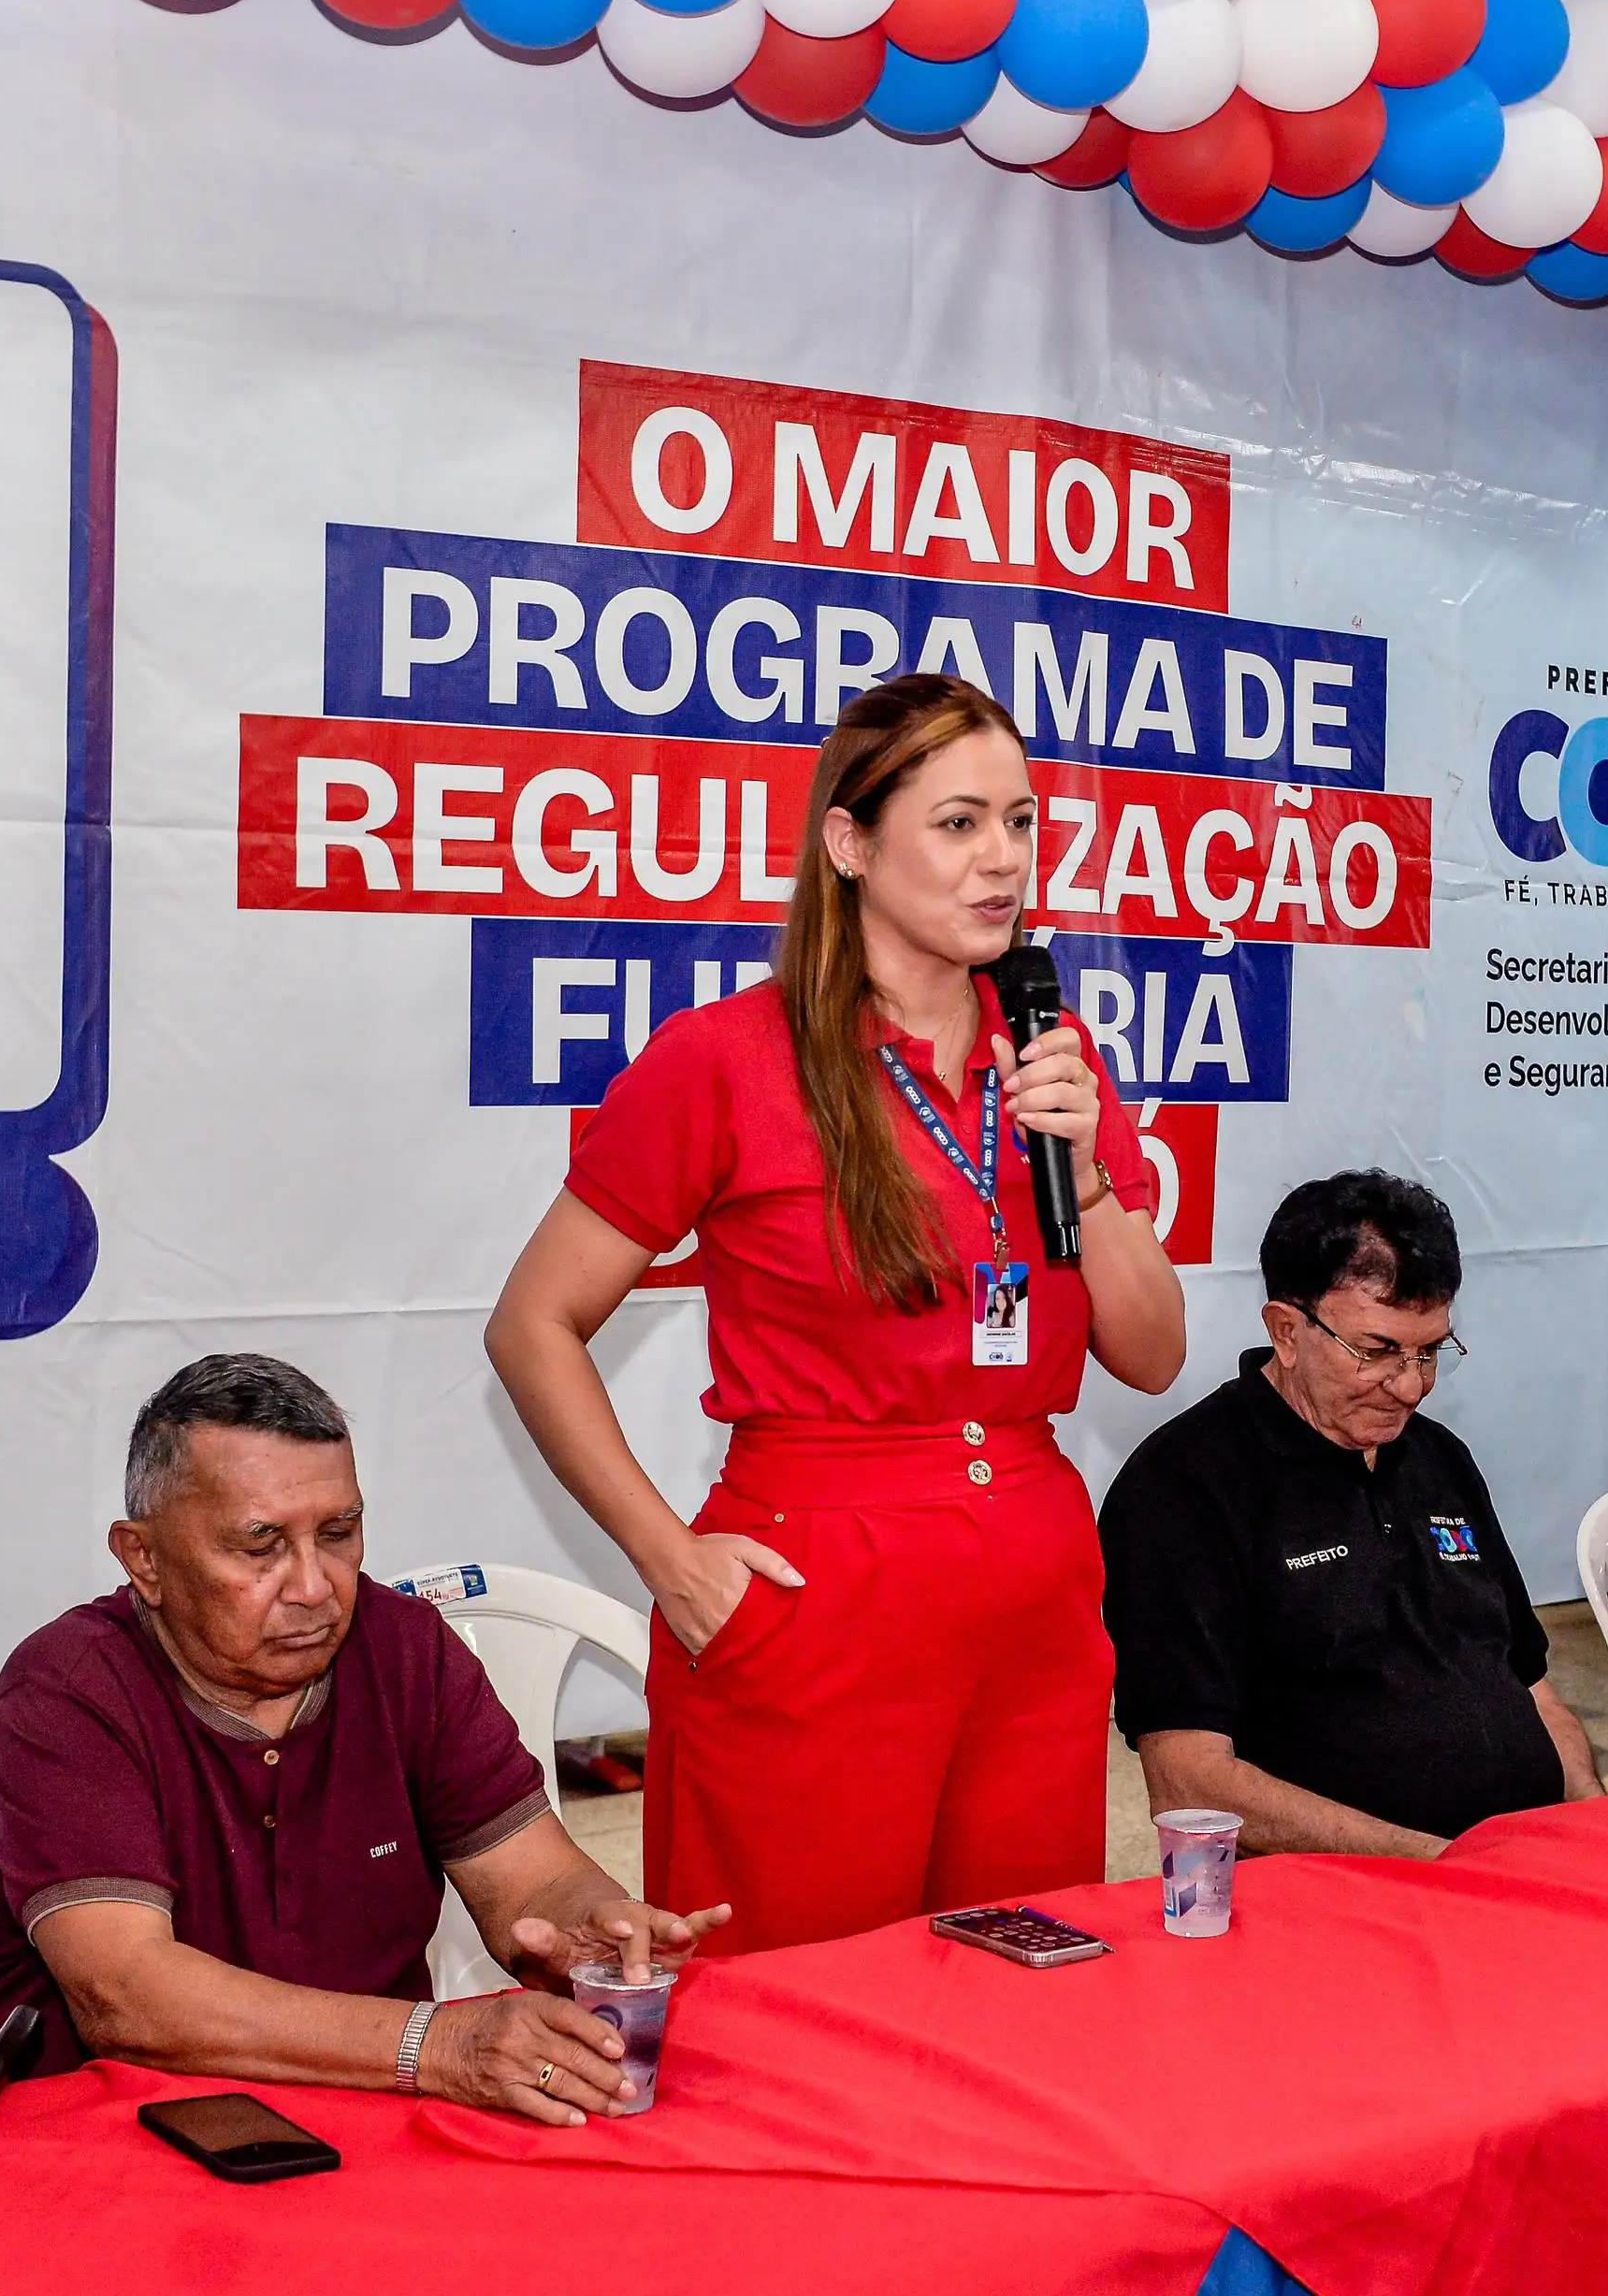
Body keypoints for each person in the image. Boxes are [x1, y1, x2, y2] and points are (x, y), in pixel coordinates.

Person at [485, 673, 1189, 1954]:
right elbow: (531, 1323)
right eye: (962, 822)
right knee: (796, 2005)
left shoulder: (1052, 1054)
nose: (1005, 862)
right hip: (818, 1591)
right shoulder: (726, 1058)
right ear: (851, 843)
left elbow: (1150, 1354)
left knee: (1019, 1990)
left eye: (1024, 823)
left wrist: (1088, 1168)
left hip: (1030, 1593)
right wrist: (668, 1556)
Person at [0, 1355, 718, 2116]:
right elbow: (128, 1998)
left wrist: (592, 1930)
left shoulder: (406, 1649)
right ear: (145, 1559)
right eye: (259, 1546)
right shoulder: (70, 1687)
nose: (313, 1588)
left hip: (353, 2107)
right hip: (68, 2125)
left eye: (338, 1534)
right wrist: (433, 2045)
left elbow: (533, 1885)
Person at [1099, 1173, 1600, 1856]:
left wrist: (1594, 1824)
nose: (1412, 1385)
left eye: (1430, 1351)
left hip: (1517, 1869)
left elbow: (1531, 1690)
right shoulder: (1184, 1486)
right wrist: (1438, 1863)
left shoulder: (1438, 1458)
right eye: (1378, 1351)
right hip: (1341, 1897)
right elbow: (1190, 1783)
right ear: (1286, 1330)